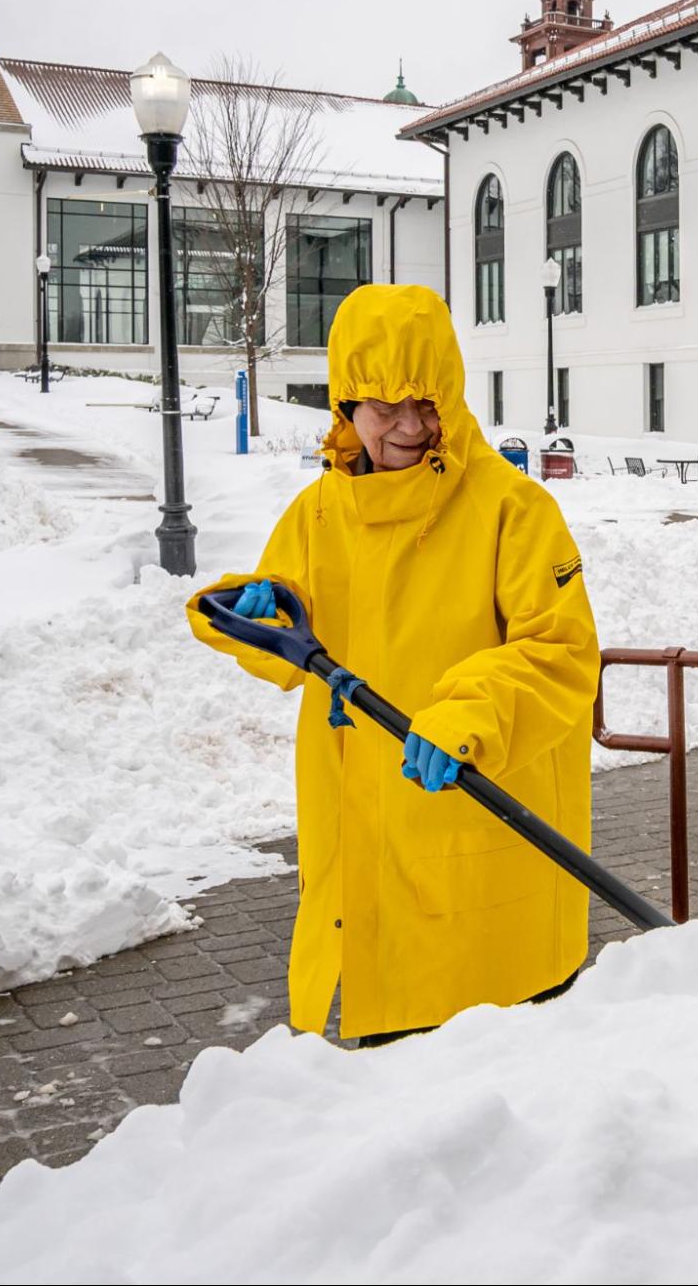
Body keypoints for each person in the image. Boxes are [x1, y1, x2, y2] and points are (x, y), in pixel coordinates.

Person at [187, 284, 599, 1047]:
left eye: (427, 402)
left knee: (499, 1072)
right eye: (383, 407)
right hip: (359, 834)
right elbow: (289, 636)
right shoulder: (317, 514)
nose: (410, 426)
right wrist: (252, 612)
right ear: (346, 408)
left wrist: (467, 715)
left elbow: (561, 652)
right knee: (387, 1074)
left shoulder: (512, 508)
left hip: (483, 820)